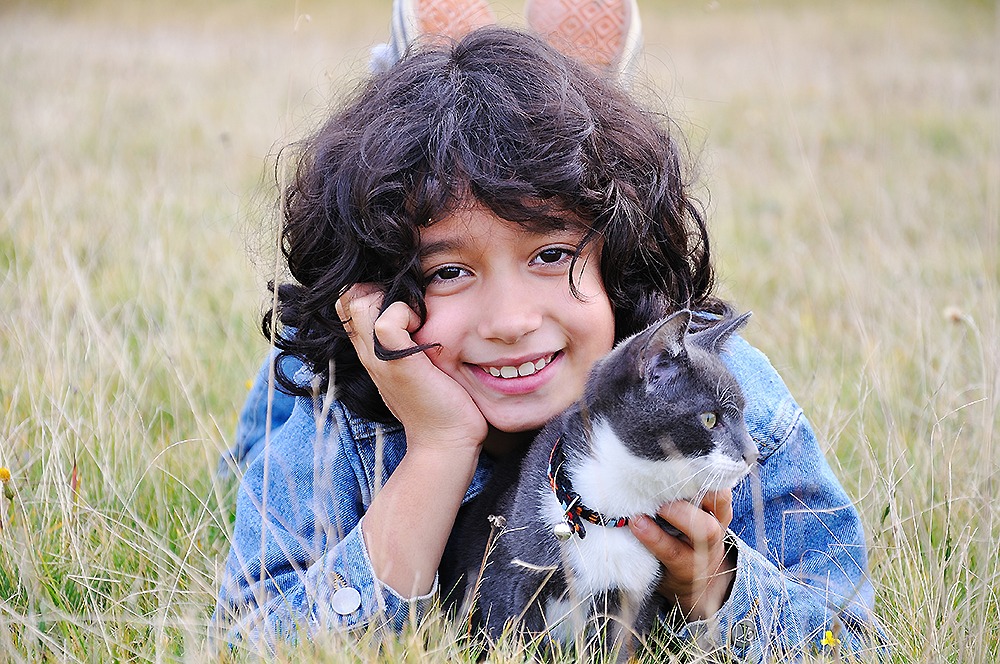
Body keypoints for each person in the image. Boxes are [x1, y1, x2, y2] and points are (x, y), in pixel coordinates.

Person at [215, 2, 884, 661]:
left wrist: (716, 587)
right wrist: (439, 447)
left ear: (615, 261)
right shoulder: (338, 393)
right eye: (449, 269)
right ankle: (477, 94)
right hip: (346, 361)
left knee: (534, 164)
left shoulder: (717, 388)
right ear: (390, 289)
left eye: (551, 254)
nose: (512, 322)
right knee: (288, 373)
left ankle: (543, 108)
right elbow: (252, 643)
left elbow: (852, 645)